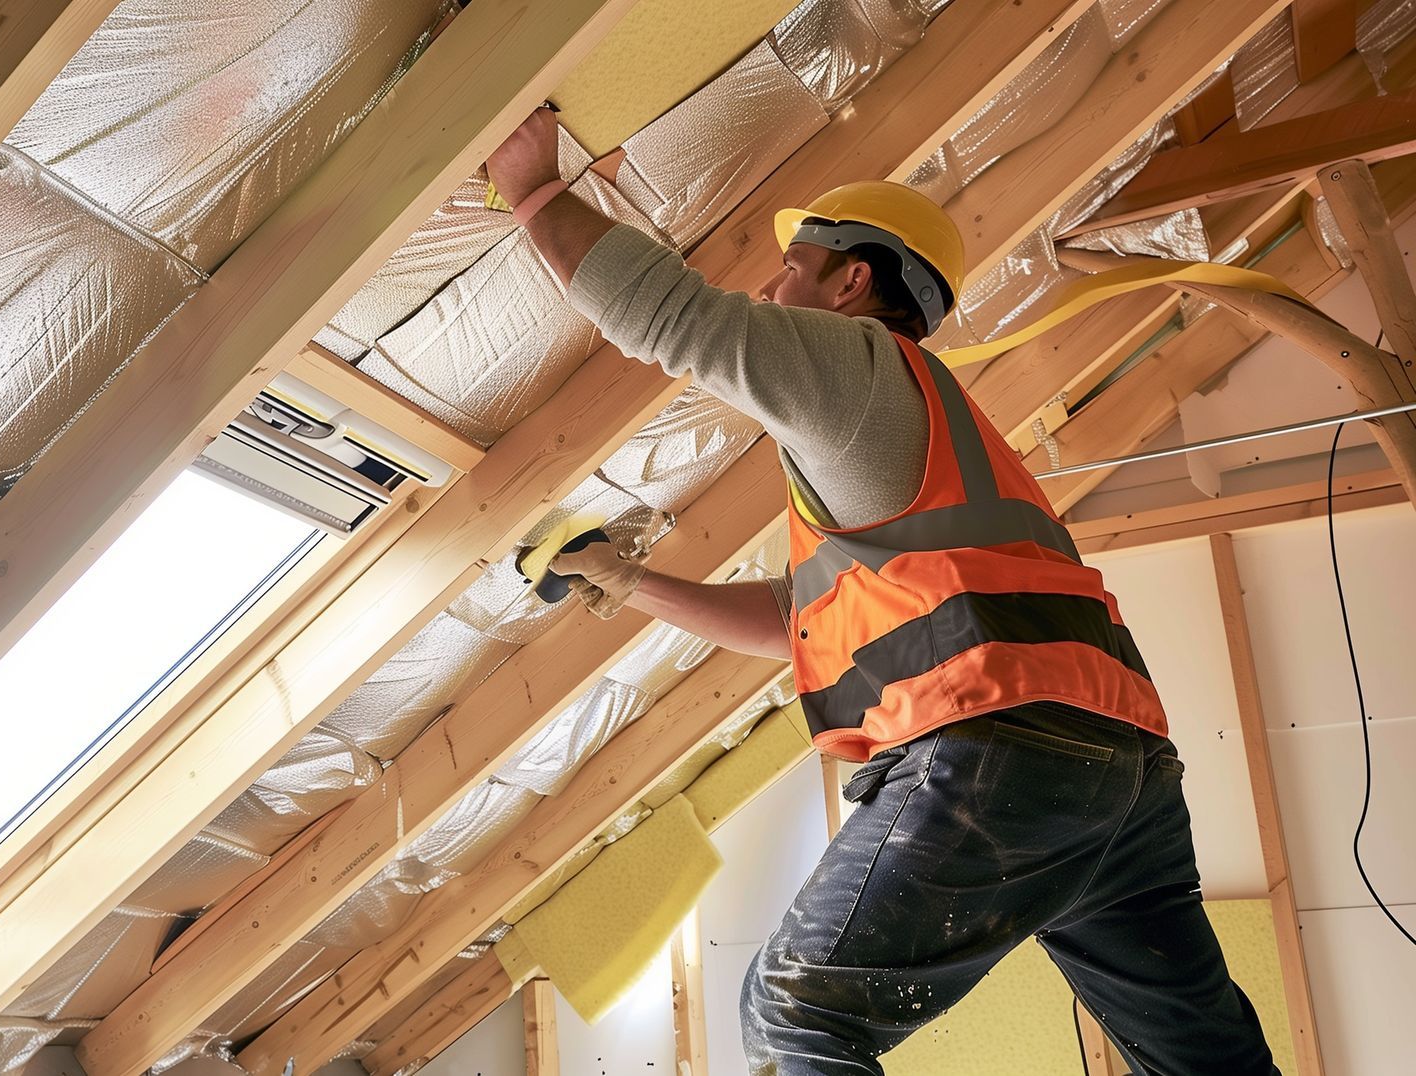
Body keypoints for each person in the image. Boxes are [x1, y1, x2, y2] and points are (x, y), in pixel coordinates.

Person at [485, 107, 1280, 1075]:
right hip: (1122, 777)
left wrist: (534, 193)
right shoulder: (931, 439)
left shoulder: (858, 367)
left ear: (853, 280)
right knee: (1206, 1059)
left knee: (797, 1015)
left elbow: (677, 319)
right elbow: (799, 619)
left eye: (790, 270)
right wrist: (628, 578)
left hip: (1001, 747)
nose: (768, 289)